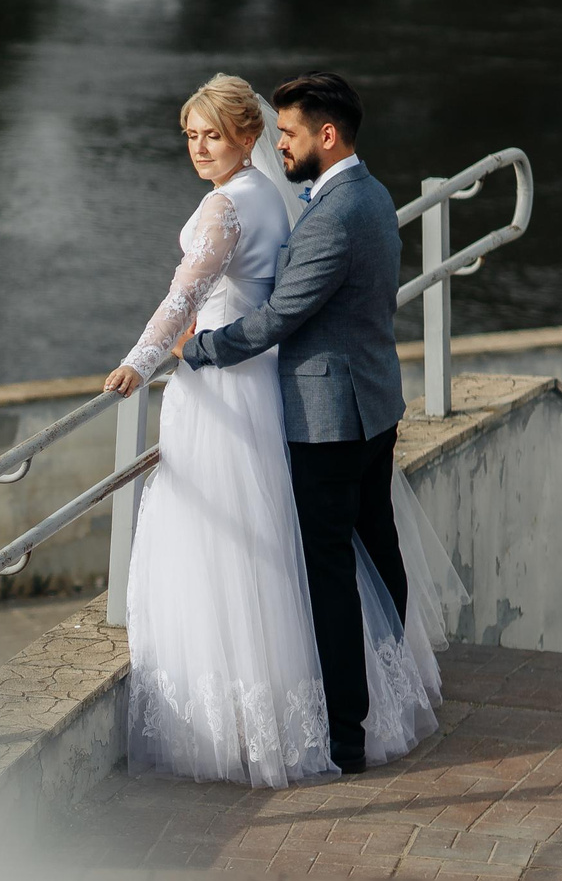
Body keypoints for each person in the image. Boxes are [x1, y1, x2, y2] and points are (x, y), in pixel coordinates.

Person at [104, 73, 460, 784]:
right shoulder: (346, 195)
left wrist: (170, 356)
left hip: (305, 404)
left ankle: (346, 733)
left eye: (286, 132)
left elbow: (263, 312)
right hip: (355, 398)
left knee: (310, 565)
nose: (281, 141)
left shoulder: (309, 211)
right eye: (190, 136)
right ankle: (386, 691)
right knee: (358, 550)